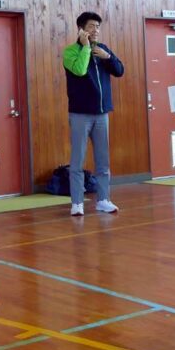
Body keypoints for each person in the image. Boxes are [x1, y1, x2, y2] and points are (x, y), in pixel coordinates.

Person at [62, 12, 125, 216]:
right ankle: (77, 202)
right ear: (81, 29)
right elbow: (80, 70)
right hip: (80, 114)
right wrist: (86, 48)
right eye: (91, 26)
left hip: (102, 114)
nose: (95, 30)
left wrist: (109, 57)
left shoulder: (103, 50)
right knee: (78, 159)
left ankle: (104, 199)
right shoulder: (70, 51)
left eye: (98, 26)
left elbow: (119, 70)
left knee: (103, 160)